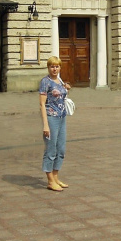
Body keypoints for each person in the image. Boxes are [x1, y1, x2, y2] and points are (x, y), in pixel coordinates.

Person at [39, 56, 71, 191]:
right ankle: (50, 180)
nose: (54, 69)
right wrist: (45, 125)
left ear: (60, 68)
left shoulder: (60, 80)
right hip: (51, 118)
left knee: (61, 149)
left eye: (57, 66)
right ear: (48, 67)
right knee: (51, 150)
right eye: (52, 66)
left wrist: (66, 87)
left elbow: (62, 93)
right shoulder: (45, 82)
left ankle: (56, 176)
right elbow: (42, 103)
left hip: (62, 117)